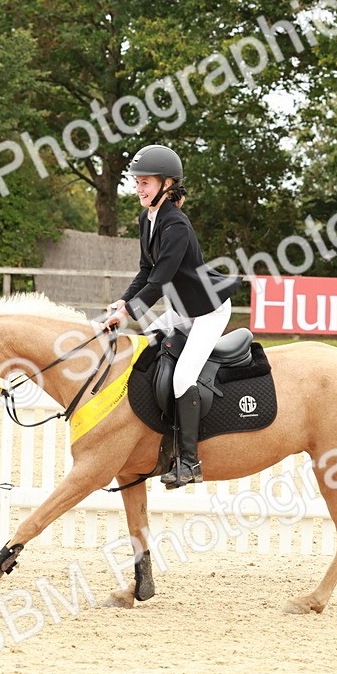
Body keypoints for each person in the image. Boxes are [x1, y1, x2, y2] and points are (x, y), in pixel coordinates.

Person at [103, 144, 242, 488]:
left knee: (183, 379)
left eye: (145, 182)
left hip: (208, 312)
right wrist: (121, 304)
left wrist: (130, 312)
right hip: (181, 309)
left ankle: (190, 462)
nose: (139, 188)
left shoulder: (175, 224)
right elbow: (145, 271)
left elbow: (161, 278)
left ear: (167, 184)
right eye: (137, 182)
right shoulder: (147, 218)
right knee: (143, 352)